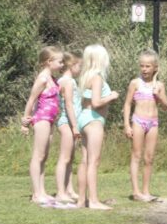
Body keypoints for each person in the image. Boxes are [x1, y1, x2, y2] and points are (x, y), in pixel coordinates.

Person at [75, 44, 120, 210]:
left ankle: (81, 200)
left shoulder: (85, 77)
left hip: (84, 118)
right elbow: (96, 102)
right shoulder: (97, 78)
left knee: (85, 160)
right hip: (94, 120)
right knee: (94, 161)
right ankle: (93, 201)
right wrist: (111, 96)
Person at [20, 46, 65, 204]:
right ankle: (36, 194)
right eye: (60, 62)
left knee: (44, 156)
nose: (62, 65)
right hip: (42, 119)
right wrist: (25, 122)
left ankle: (42, 191)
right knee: (38, 155)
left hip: (50, 120)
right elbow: (31, 100)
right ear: (49, 61)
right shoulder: (43, 79)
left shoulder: (52, 79)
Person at [122, 50, 167, 202]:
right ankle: (136, 192)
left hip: (153, 123)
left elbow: (166, 106)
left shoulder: (159, 85)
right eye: (142, 66)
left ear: (155, 67)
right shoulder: (135, 83)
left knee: (149, 158)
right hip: (138, 121)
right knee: (136, 155)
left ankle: (146, 191)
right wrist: (126, 125)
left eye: (148, 66)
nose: (144, 69)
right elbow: (127, 104)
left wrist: (159, 95)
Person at [53, 51, 82, 204]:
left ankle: (69, 189)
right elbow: (69, 104)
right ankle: (60, 192)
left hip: (72, 123)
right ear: (72, 65)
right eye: (79, 66)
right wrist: (75, 126)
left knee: (70, 158)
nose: (81, 69)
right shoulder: (67, 82)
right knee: (64, 158)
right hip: (67, 123)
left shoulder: (69, 81)